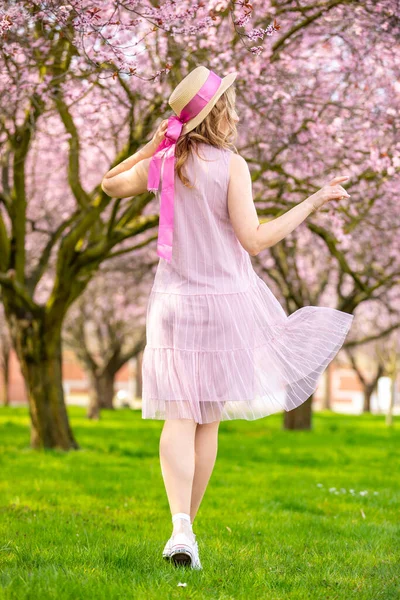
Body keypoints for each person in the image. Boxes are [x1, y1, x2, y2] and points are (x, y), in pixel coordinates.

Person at [101, 65, 354, 570]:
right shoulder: (232, 166)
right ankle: (185, 534)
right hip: (223, 306)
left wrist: (154, 146)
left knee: (178, 415)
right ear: (220, 112)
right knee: (206, 421)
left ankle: (181, 531)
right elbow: (256, 239)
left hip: (173, 307)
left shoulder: (168, 163)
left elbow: (109, 185)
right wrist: (313, 199)